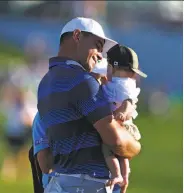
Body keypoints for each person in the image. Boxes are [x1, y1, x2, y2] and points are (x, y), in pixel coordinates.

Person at [37, 17, 141, 193]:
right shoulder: (82, 81)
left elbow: (46, 163)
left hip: (59, 184)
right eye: (98, 46)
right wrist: (136, 146)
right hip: (86, 185)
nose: (101, 55)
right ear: (77, 36)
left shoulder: (45, 83)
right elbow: (115, 140)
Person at [93, 44, 147, 193]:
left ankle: (119, 175)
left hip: (122, 125)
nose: (131, 75)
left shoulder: (125, 85)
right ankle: (123, 178)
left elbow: (128, 102)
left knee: (109, 150)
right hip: (116, 124)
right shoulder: (115, 82)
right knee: (122, 155)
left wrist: (122, 112)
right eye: (128, 71)